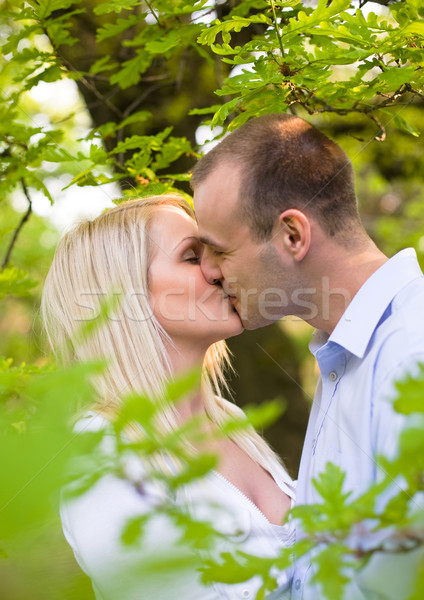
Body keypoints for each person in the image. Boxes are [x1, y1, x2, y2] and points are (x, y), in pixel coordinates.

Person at [191, 113, 424, 599]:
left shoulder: (410, 354)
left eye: (218, 251)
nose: (210, 273)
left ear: (292, 236)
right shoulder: (344, 359)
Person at [40, 194, 296, 600]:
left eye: (213, 251)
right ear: (125, 296)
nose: (217, 268)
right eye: (192, 257)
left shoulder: (231, 421)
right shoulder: (99, 449)